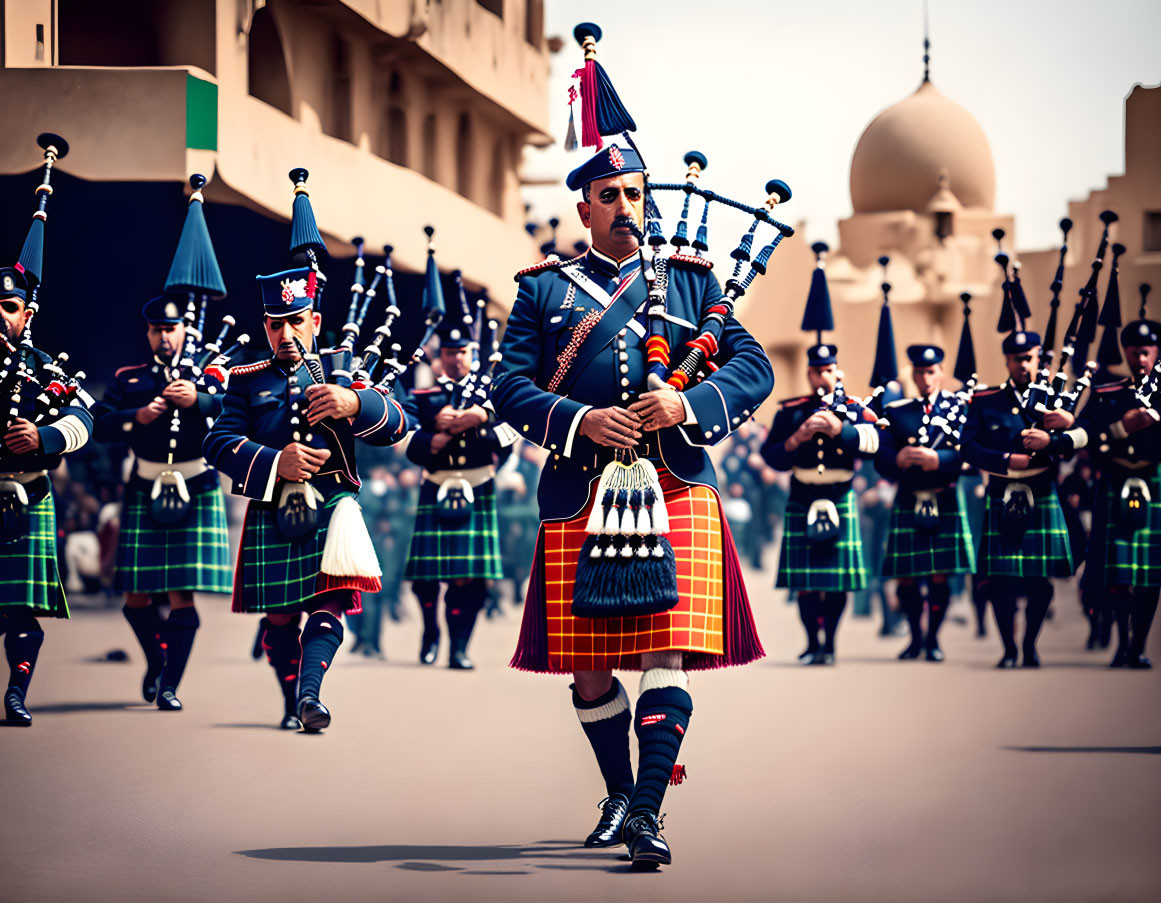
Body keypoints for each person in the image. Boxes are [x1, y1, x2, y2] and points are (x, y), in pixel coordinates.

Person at [492, 140, 771, 868]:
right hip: (582, 485)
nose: (626, 208)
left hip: (673, 482)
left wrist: (688, 402)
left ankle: (647, 808)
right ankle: (618, 789)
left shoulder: (688, 282)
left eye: (636, 194)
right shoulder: (542, 291)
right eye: (609, 195)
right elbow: (509, 388)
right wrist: (579, 419)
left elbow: (753, 366)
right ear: (583, 207)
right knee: (589, 664)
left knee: (662, 646)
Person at [204, 252, 410, 730]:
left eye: (295, 321)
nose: (286, 334)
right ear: (265, 327)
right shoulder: (246, 381)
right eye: (275, 325)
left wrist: (355, 400)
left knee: (330, 599)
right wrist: (277, 462)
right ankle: (291, 696)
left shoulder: (344, 368)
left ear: (314, 320)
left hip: (333, 505)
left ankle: (310, 697)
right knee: (279, 621)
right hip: (275, 506)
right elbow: (217, 442)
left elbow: (399, 423)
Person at [93, 296, 231, 710]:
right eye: (157, 330)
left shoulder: (206, 375)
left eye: (171, 329)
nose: (164, 337)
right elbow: (99, 425)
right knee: (135, 597)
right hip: (144, 486)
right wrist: (138, 416)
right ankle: (157, 662)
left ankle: (170, 685)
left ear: (184, 331)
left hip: (195, 486)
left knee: (179, 596)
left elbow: (235, 410)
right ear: (148, 333)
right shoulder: (129, 378)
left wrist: (200, 401)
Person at [0, 265, 94, 725]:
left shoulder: (45, 367)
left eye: (9, 307)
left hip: (29, 494)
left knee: (19, 610)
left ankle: (17, 692)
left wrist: (44, 437)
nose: (1, 315)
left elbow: (84, 421)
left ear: (26, 313)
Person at [959, 330, 1081, 667]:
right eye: (1017, 359)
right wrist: (1004, 460)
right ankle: (1009, 649)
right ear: (1007, 361)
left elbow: (1076, 446)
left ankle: (1030, 646)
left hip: (1041, 493)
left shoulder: (1054, 401)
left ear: (1038, 360)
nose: (1024, 366)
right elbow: (968, 446)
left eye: (1029, 359)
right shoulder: (986, 401)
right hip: (1001, 491)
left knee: (1038, 580)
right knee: (1000, 581)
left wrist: (1063, 431)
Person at [400, 319, 511, 669]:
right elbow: (405, 433)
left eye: (462, 352)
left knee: (470, 577)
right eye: (449, 353)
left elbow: (513, 431)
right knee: (427, 575)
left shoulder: (492, 393)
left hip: (478, 484)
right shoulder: (426, 395)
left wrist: (479, 424)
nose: (456, 359)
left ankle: (459, 647)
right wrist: (430, 435)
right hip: (435, 484)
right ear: (439, 356)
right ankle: (431, 630)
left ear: (472, 353)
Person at [761, 345, 881, 664]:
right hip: (803, 497)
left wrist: (842, 430)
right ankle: (812, 643)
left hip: (839, 496)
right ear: (809, 373)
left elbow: (875, 447)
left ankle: (830, 644)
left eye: (828, 370)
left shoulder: (854, 408)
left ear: (836, 371)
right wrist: (797, 438)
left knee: (835, 582)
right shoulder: (792, 412)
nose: (822, 377)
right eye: (817, 371)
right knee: (805, 583)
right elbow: (770, 456)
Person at [877, 345, 975, 661]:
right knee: (906, 575)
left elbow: (973, 449)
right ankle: (915, 638)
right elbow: (881, 456)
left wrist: (941, 459)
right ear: (913, 374)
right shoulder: (898, 410)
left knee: (939, 574)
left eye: (931, 371)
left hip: (944, 494)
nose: (925, 378)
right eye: (919, 372)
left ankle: (933, 639)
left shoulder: (960, 407)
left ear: (941, 373)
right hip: (909, 495)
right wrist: (897, 459)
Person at [1076, 313, 1161, 668]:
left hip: (1153, 482)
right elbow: (1086, 436)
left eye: (1146, 353)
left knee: (1148, 576)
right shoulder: (1108, 393)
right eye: (1133, 353)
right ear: (1125, 352)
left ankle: (1139, 646)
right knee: (1117, 574)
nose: (1140, 360)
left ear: (1156, 352)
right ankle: (1122, 643)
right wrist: (1120, 428)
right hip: (1114, 482)